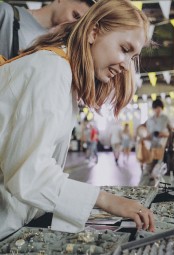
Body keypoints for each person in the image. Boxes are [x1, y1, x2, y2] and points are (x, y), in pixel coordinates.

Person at [0, 0, 155, 240]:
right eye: (125, 49)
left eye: (132, 57)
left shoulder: (61, 73)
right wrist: (105, 200)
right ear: (93, 31)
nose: (126, 65)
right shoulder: (51, 70)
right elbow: (29, 175)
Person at [0, 0, 94, 59]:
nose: (73, 24)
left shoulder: (59, 46)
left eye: (78, 23)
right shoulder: (7, 13)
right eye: (75, 15)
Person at [140, 99, 172, 185]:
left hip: (163, 147)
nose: (157, 110)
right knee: (147, 169)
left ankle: (155, 190)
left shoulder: (165, 118)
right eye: (155, 108)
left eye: (159, 108)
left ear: (161, 108)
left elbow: (172, 133)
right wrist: (143, 138)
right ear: (153, 109)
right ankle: (141, 188)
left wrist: (164, 134)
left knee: (158, 170)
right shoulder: (149, 120)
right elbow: (149, 135)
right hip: (152, 147)